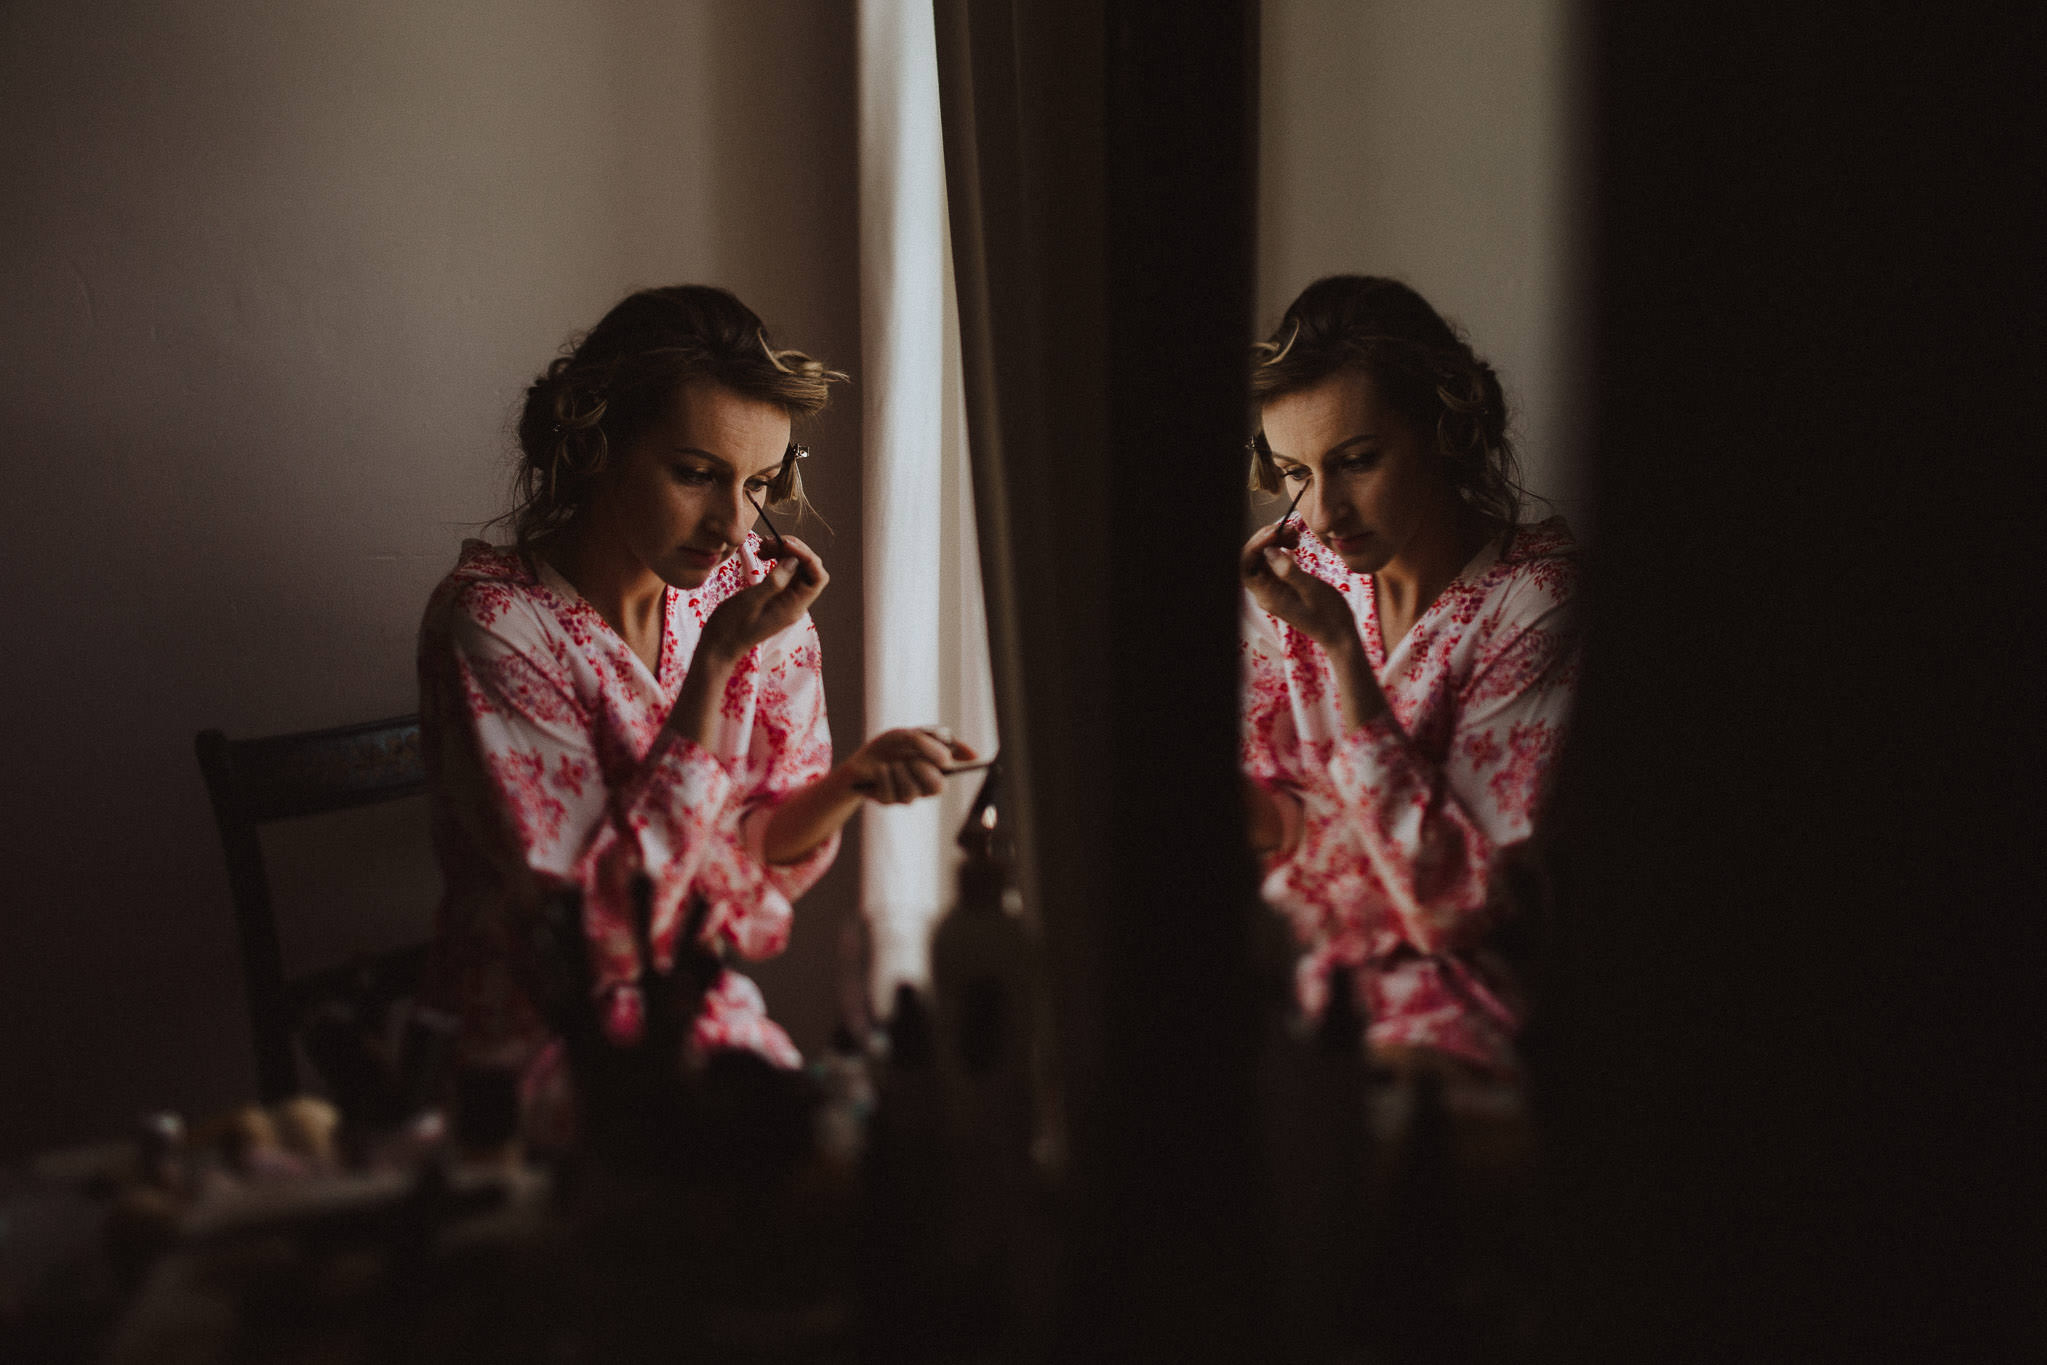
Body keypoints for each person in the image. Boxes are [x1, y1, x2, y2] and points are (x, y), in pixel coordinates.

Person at [418, 285, 970, 1102]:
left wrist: (851, 779)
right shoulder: (497, 620)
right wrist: (713, 668)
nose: (732, 525)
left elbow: (744, 853)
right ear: (596, 445)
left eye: (755, 485)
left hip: (698, 1020)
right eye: (695, 474)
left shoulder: (742, 593)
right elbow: (597, 931)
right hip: (540, 1052)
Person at [1238, 275, 1579, 1078]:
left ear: (1440, 430)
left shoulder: (1533, 599)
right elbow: (1270, 823)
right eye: (1292, 473)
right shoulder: (1297, 573)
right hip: (1285, 974)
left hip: (1449, 1010)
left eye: (1355, 461)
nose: (1321, 513)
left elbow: (1456, 906)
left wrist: (1342, 655)